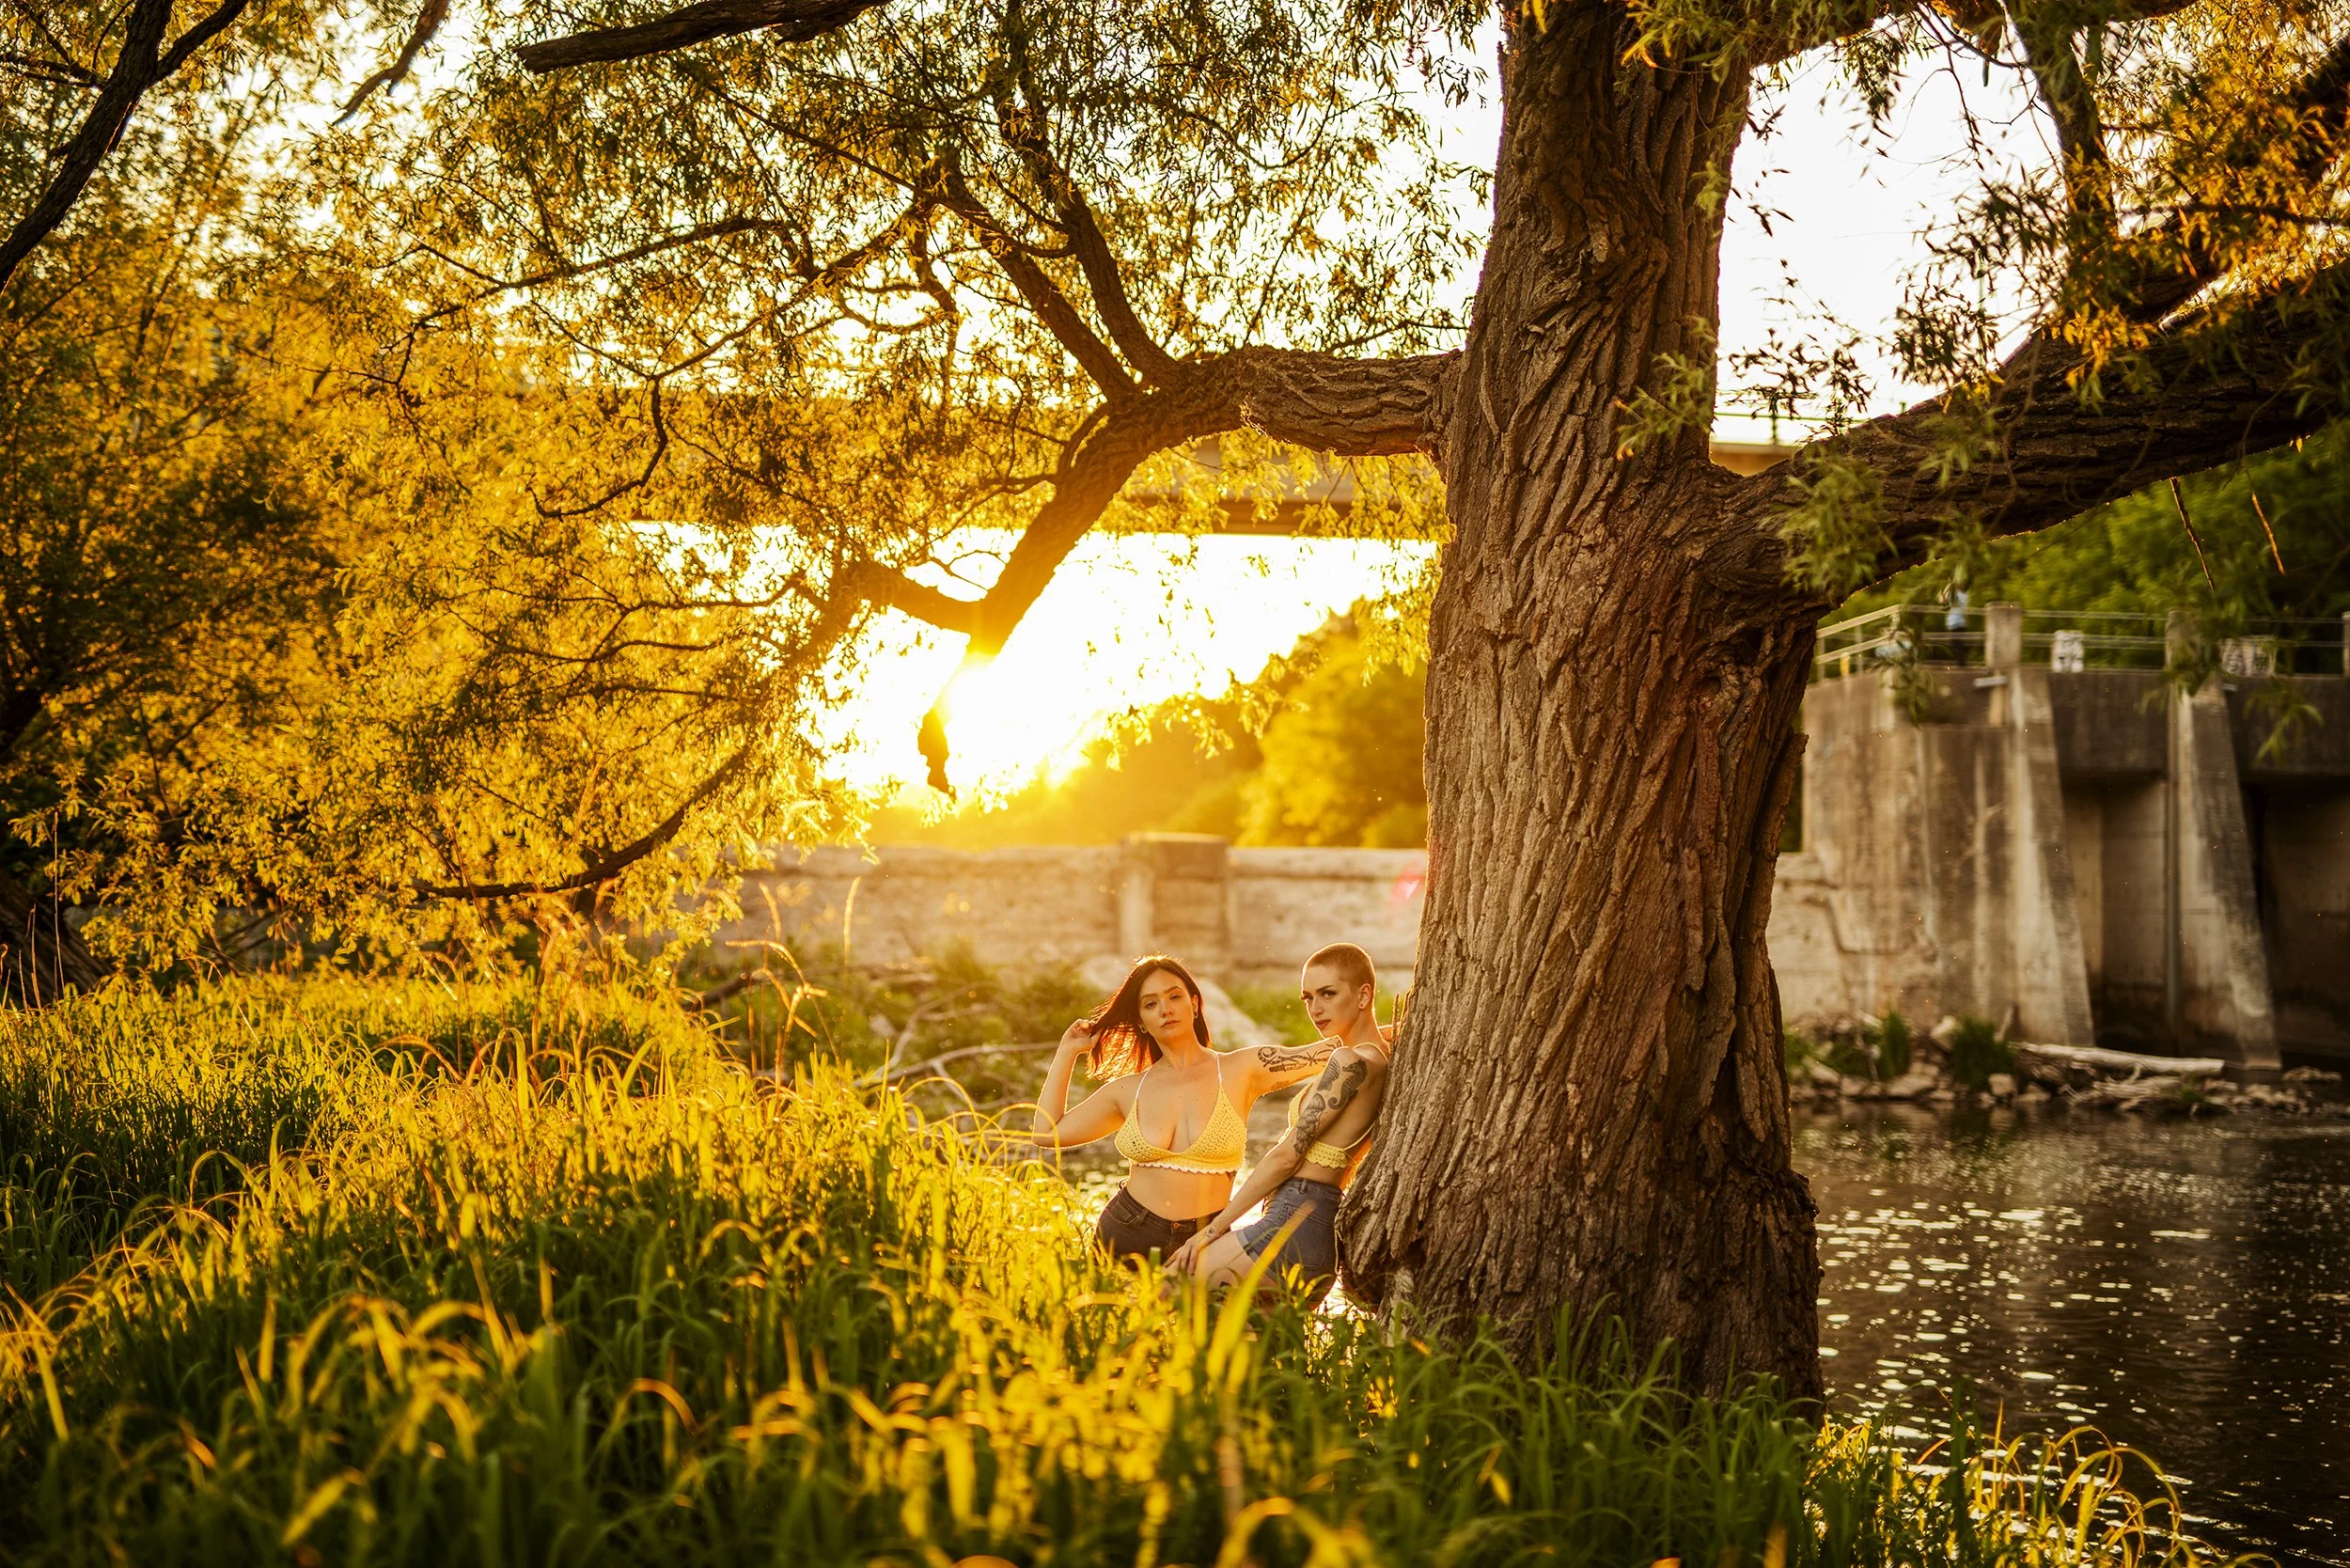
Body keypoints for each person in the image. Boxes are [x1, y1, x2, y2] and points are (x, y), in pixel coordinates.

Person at [1030, 953, 1337, 1262]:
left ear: (1194, 1003)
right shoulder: (1127, 1090)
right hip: (1127, 1232)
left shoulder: (1241, 1068)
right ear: (1141, 1022)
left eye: (1174, 997)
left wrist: (1382, 1028)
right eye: (1151, 1004)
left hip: (1207, 1240)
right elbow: (1045, 1133)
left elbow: (1331, 1051)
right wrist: (1067, 1052)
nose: (1165, 1009)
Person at [1168, 943, 1393, 1302]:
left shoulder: (1350, 1061)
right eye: (1307, 998)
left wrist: (1211, 1231)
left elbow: (1286, 1157)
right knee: (1252, 1354)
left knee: (1165, 1289)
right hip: (1313, 1235)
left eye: (1328, 994)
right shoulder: (1377, 1058)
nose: (1315, 1009)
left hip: (1292, 1225)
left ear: (1364, 994)